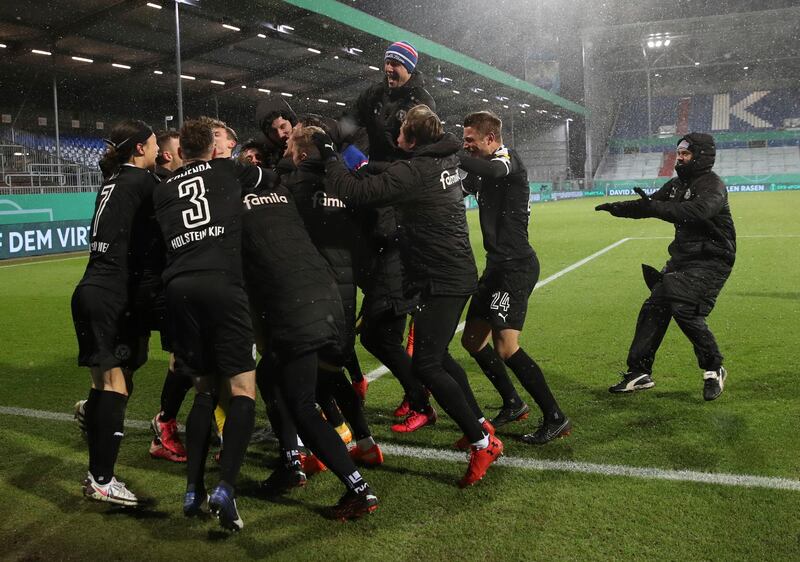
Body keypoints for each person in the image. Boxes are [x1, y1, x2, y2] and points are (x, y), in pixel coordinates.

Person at [319, 105, 504, 488]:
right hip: (446, 273)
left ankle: (482, 442)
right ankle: (480, 424)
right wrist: (356, 159)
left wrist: (328, 155)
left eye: (401, 132)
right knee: (439, 357)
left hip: (443, 278)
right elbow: (383, 171)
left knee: (427, 366)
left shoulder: (415, 170)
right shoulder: (444, 158)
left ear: (412, 138)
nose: (394, 136)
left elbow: (355, 190)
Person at [240, 166, 380, 520]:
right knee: (270, 376)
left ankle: (358, 489)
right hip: (325, 298)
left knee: (302, 404)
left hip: (297, 308)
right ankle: (292, 462)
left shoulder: (236, 205)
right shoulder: (283, 195)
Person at [154, 117, 264, 531]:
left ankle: (192, 488)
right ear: (215, 149)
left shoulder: (163, 189)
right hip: (221, 282)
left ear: (181, 152)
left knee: (203, 388)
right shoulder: (228, 169)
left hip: (178, 288)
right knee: (241, 389)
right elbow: (268, 178)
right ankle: (226, 488)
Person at [459, 111, 571, 445]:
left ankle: (556, 417)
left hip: (516, 267)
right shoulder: (479, 170)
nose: (467, 146)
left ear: (490, 139)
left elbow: (492, 169)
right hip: (496, 266)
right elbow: (454, 187)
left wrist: (454, 154)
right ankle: (513, 402)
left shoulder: (507, 159)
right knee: (472, 341)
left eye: (470, 141)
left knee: (506, 347)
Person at [596, 132, 735, 400]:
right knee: (655, 306)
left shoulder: (712, 186)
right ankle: (639, 372)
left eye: (686, 154)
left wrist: (656, 207)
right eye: (679, 154)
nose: (679, 159)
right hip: (683, 258)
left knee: (685, 309)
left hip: (712, 259)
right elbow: (650, 206)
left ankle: (713, 368)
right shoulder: (675, 186)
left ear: (701, 157)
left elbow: (697, 212)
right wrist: (617, 208)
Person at [345, 41, 435, 429]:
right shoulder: (374, 94)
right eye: (386, 61)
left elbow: (422, 155)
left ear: (411, 69)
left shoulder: (421, 100)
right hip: (377, 208)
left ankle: (420, 399)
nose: (390, 68)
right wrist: (344, 147)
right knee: (386, 333)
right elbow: (347, 123)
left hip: (399, 210)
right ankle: (415, 394)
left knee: (380, 334)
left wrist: (371, 166)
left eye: (398, 64)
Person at [71, 119, 159, 506]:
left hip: (92, 290)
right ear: (140, 149)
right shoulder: (142, 182)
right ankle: (101, 481)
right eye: (156, 145)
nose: (159, 151)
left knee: (112, 380)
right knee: (115, 386)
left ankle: (93, 412)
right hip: (109, 294)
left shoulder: (112, 181)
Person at [146, 129, 191, 463]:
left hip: (177, 284)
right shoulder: (162, 190)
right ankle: (164, 424)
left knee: (191, 358)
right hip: (167, 287)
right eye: (180, 149)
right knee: (183, 360)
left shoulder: (171, 186)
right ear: (166, 155)